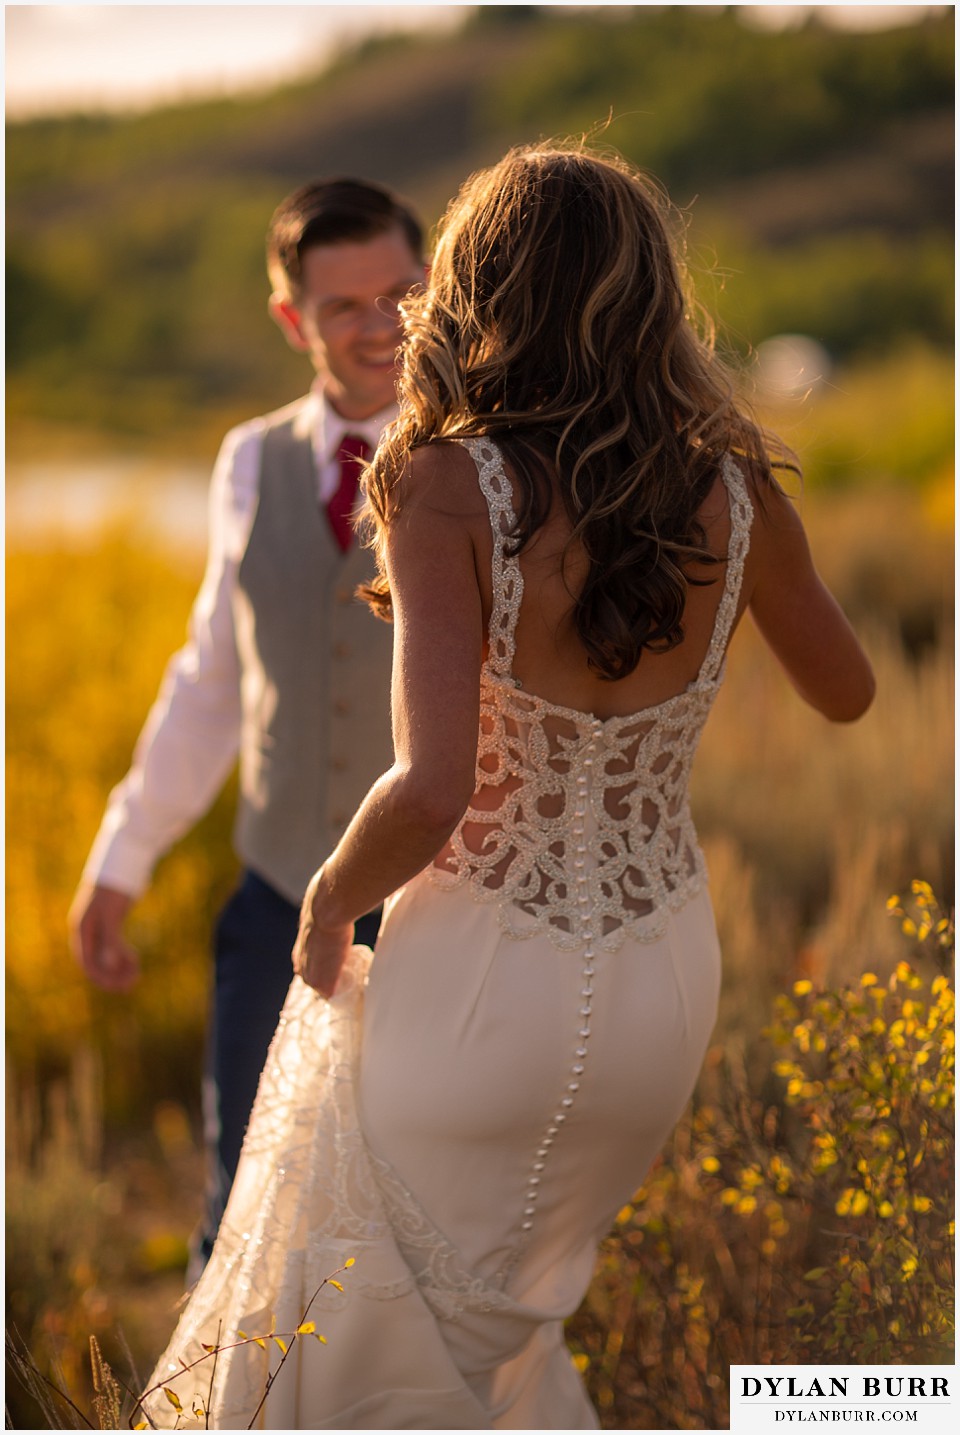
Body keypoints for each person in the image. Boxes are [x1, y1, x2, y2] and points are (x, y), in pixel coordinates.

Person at [141, 143, 875, 1429]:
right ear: (650, 295)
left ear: (477, 287)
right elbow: (851, 691)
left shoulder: (441, 484)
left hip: (481, 977)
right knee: (499, 1336)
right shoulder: (739, 490)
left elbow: (429, 792)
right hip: (660, 979)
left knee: (369, 1311)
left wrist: (322, 910)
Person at [68, 177, 427, 1271]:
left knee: (413, 1214)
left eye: (401, 293)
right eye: (344, 306)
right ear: (292, 320)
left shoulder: (491, 458)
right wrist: (122, 856)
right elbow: (214, 678)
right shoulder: (249, 461)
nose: (381, 326)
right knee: (245, 1204)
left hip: (435, 913)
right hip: (273, 896)